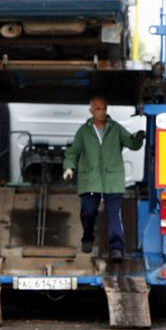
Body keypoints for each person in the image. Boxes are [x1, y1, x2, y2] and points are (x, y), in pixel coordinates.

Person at [62, 96, 145, 261]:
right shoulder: (84, 131)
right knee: (88, 212)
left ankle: (116, 248)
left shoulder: (115, 129)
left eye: (104, 109)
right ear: (91, 110)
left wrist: (138, 137)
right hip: (90, 181)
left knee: (114, 214)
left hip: (112, 180)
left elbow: (132, 144)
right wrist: (69, 167)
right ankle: (87, 238)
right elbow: (73, 152)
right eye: (98, 109)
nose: (102, 112)